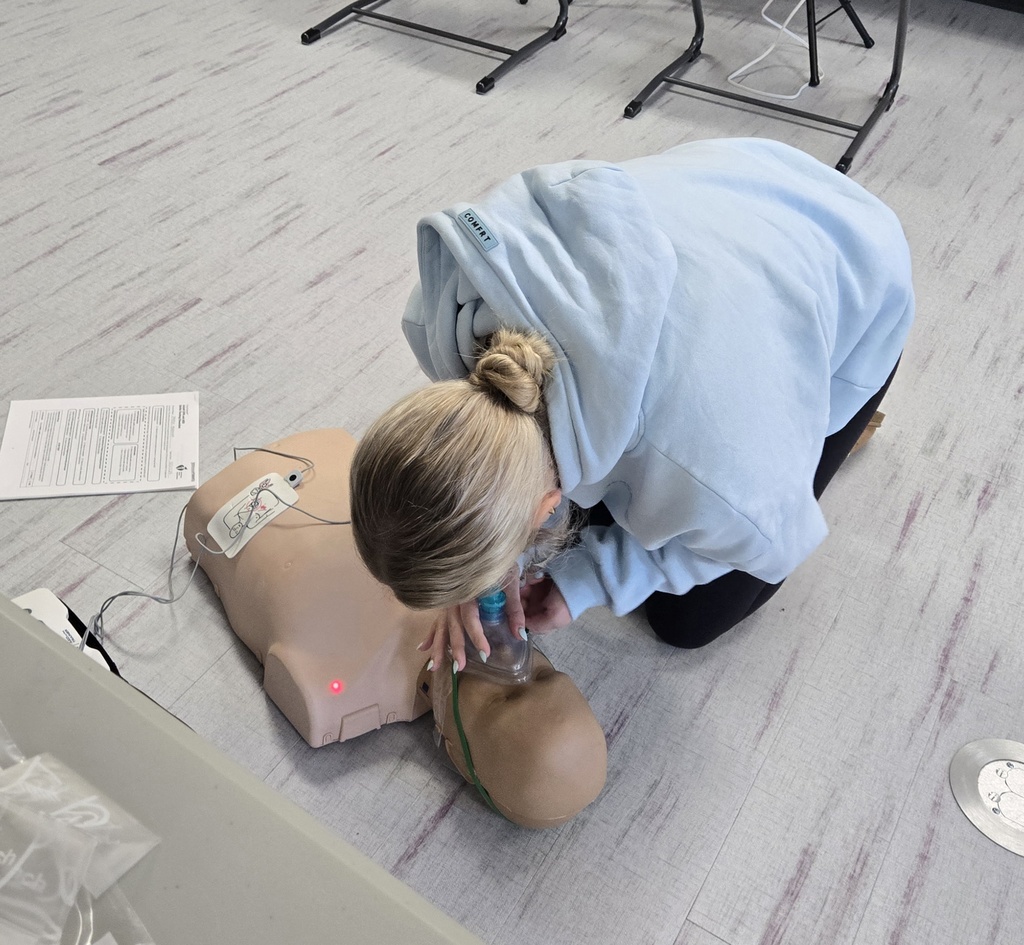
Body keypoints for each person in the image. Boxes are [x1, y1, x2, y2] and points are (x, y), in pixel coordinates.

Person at [349, 137, 915, 673]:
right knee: (623, 506)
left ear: (549, 505)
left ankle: (824, 432)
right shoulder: (438, 312)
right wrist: (473, 570)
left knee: (687, 620)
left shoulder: (723, 472)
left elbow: (779, 539)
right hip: (725, 187)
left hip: (854, 260)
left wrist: (591, 578)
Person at [184, 429, 607, 827]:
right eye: (542, 673)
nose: (511, 659)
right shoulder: (481, 574)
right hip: (333, 466)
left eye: (505, 698)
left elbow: (290, 671)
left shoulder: (338, 694)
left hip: (227, 507)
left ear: (456, 751)